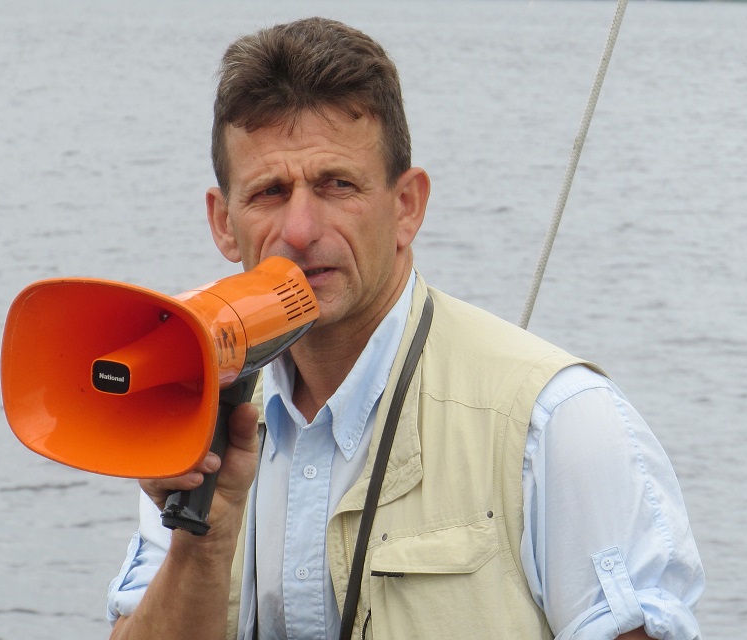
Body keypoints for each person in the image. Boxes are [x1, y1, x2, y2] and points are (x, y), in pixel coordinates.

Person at [106, 17, 704, 640]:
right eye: (270, 192)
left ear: (407, 206)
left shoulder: (555, 423)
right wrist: (202, 543)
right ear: (223, 222)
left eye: (338, 186)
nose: (302, 230)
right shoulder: (194, 410)